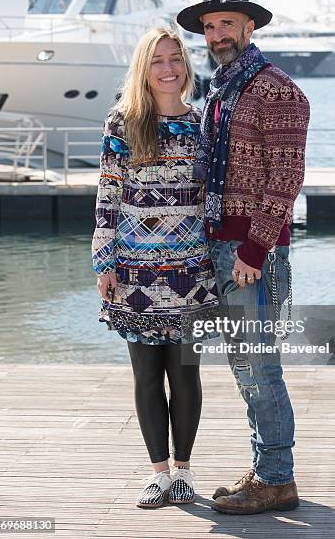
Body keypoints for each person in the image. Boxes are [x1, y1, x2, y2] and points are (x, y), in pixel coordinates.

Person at [177, 0, 310, 515]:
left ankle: (277, 478)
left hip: (251, 251)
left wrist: (253, 251)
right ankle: (266, 469)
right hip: (222, 244)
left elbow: (285, 178)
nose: (216, 35)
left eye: (226, 24)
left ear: (249, 27)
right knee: (244, 366)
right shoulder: (223, 88)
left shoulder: (275, 90)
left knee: (259, 367)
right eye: (209, 27)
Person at [91, 27, 219, 509]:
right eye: (157, 61)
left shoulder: (203, 122)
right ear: (143, 69)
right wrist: (104, 260)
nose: (168, 69)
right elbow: (108, 196)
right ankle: (159, 475)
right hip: (135, 273)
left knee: (186, 375)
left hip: (192, 274)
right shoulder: (122, 123)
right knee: (147, 375)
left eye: (176, 59)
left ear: (186, 66)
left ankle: (184, 472)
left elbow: (215, 197)